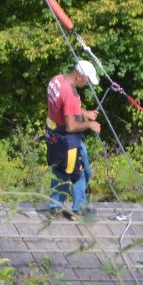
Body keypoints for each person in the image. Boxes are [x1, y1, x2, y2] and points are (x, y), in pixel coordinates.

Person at [45, 59, 102, 220]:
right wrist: (90, 124)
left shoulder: (56, 81)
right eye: (87, 80)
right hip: (67, 141)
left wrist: (83, 112)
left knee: (58, 171)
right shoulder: (70, 94)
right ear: (79, 76)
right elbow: (70, 126)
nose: (87, 84)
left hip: (52, 135)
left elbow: (62, 106)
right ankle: (78, 211)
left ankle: (54, 208)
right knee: (78, 174)